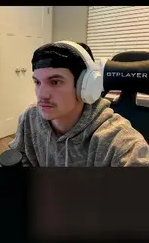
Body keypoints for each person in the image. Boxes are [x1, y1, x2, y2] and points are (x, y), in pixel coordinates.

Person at [8, 41, 149, 167]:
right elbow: (21, 157)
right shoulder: (30, 118)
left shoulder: (120, 141)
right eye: (37, 82)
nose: (42, 94)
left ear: (85, 86)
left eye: (55, 82)